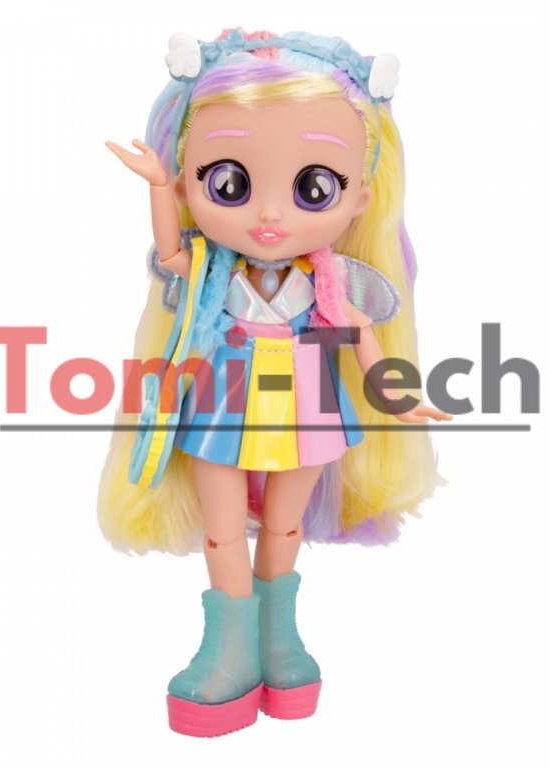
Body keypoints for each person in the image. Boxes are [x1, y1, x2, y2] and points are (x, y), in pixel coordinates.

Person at [99, 28, 449, 737]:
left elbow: (360, 336)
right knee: (224, 531)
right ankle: (229, 649)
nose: (268, 215)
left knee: (284, 523)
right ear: (193, 181)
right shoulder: (209, 270)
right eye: (229, 182)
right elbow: (169, 251)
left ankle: (279, 638)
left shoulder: (330, 281)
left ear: (359, 197)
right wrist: (160, 187)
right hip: (222, 401)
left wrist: (397, 396)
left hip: (308, 404)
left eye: (313, 188)